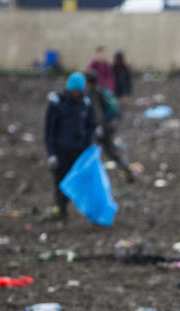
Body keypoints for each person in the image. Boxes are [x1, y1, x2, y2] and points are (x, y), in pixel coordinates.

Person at [43, 71, 98, 221]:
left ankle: (91, 213)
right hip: (61, 152)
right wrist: (51, 153)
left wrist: (90, 143)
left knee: (84, 184)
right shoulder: (57, 103)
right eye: (73, 90)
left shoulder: (85, 103)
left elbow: (91, 125)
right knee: (60, 183)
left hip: (80, 153)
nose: (75, 94)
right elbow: (49, 131)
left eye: (78, 91)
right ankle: (61, 211)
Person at [85, 69, 135, 183]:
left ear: (88, 82)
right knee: (111, 151)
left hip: (102, 128)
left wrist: (99, 127)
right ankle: (126, 169)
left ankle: (91, 177)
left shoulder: (93, 94)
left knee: (92, 152)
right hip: (109, 125)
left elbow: (98, 114)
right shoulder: (101, 90)